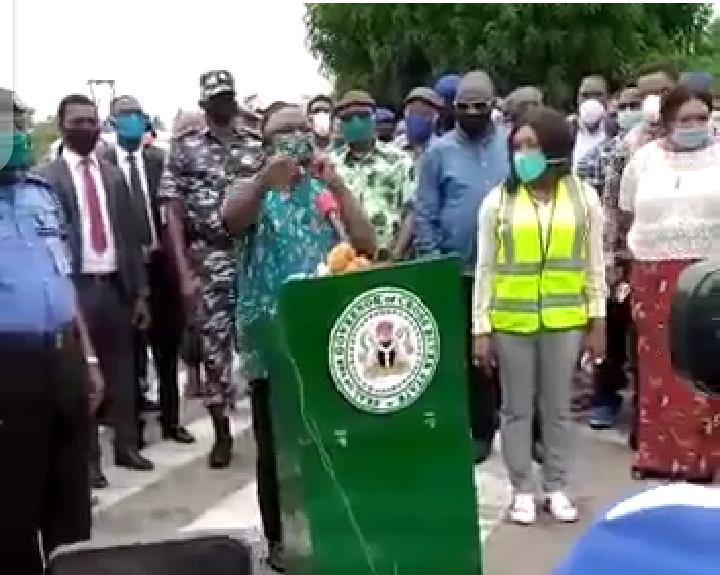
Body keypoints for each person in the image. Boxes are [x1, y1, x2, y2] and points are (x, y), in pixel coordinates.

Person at [222, 103, 375, 572]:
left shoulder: (323, 188)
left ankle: (338, 527)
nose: (294, 136)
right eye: (282, 130)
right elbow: (230, 220)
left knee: (332, 436)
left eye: (300, 128)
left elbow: (366, 245)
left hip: (327, 333)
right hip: (269, 339)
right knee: (276, 445)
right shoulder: (251, 187)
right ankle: (279, 539)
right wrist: (263, 181)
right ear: (266, 142)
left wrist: (338, 187)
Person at [473, 106, 606, 525]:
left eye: (532, 145)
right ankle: (522, 490)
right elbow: (485, 269)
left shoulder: (584, 199)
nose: (523, 155)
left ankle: (557, 486)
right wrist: (480, 328)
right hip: (512, 322)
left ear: (554, 148)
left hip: (565, 320)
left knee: (559, 409)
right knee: (516, 410)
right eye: (517, 146)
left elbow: (594, 264)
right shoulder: (498, 202)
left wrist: (598, 320)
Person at [0, 90, 99, 575]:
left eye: (21, 125)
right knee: (13, 506)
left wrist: (89, 357)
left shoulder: (41, 194)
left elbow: (63, 281)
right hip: (8, 366)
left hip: (63, 356)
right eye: (8, 127)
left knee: (72, 501)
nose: (19, 135)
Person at [40, 94, 152, 487]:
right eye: (77, 121)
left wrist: (140, 293)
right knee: (82, 378)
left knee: (123, 371)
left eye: (91, 121)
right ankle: (89, 461)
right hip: (76, 287)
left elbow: (130, 238)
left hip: (115, 284)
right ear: (62, 126)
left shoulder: (113, 176)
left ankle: (127, 445)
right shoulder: (47, 178)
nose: (86, 128)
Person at [159, 70, 264, 468]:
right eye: (216, 98)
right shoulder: (185, 149)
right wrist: (184, 272)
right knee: (214, 348)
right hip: (208, 256)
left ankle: (269, 423)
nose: (224, 104)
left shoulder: (255, 144)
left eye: (228, 97)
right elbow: (171, 210)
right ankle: (221, 432)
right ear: (203, 105)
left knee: (261, 340)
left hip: (253, 255)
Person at [618, 85, 720, 474]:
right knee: (660, 366)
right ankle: (658, 456)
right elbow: (625, 213)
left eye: (700, 118)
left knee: (706, 363)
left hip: (709, 278)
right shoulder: (644, 161)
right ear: (666, 122)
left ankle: (705, 457)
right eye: (684, 119)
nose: (694, 126)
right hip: (653, 274)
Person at [414, 70, 509, 463]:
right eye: (464, 107)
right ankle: (481, 430)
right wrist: (435, 263)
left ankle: (527, 430)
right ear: (454, 109)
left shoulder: (511, 146)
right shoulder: (438, 153)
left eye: (479, 106)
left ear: (492, 106)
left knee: (517, 351)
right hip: (460, 271)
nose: (472, 113)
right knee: (472, 356)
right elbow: (424, 213)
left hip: (509, 269)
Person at [104, 95, 195, 446]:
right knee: (129, 350)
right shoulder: (104, 165)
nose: (132, 121)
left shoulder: (160, 161)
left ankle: (172, 420)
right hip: (123, 267)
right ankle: (133, 427)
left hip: (161, 264)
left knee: (168, 345)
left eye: (136, 115)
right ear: (113, 123)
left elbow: (175, 209)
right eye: (124, 116)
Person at [575, 86, 642, 429]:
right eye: (626, 106)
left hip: (668, 257)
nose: (633, 111)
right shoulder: (612, 153)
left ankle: (648, 406)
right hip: (619, 255)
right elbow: (609, 208)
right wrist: (609, 258)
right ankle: (606, 398)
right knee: (613, 331)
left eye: (637, 104)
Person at [330, 90, 413, 261]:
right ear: (341, 124)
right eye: (348, 118)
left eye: (362, 116)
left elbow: (411, 211)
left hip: (391, 258)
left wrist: (396, 256)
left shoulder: (399, 160)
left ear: (374, 118)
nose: (355, 122)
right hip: (345, 262)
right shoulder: (330, 166)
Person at [403, 86, 443, 163]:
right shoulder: (395, 146)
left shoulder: (442, 149)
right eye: (412, 112)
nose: (416, 116)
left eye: (424, 114)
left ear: (435, 116)